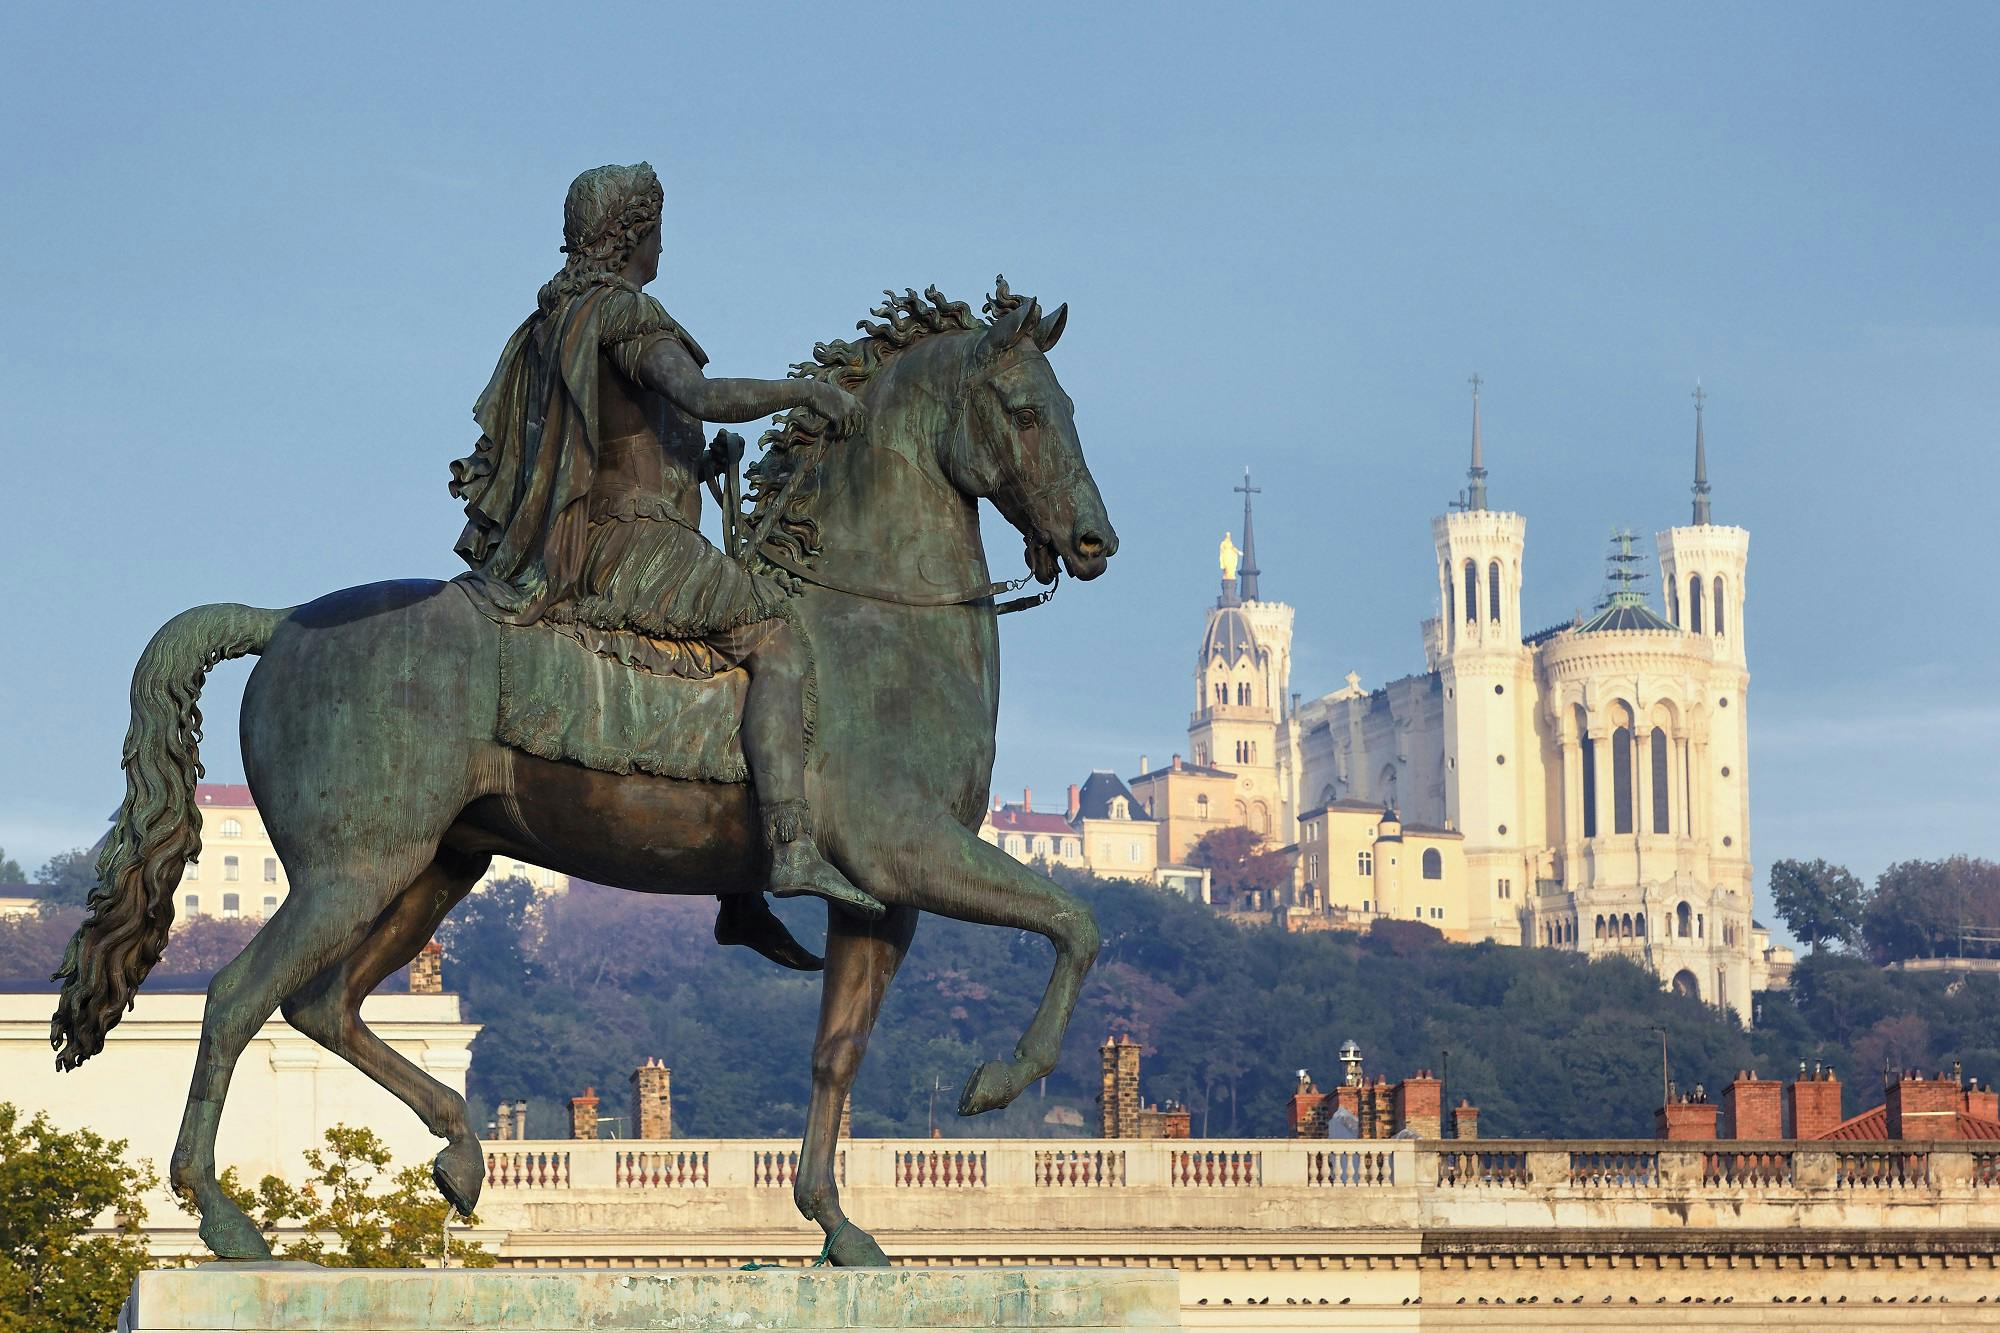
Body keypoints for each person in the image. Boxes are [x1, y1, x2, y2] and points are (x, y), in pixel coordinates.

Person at [449, 163, 879, 966]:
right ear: (633, 232)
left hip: (594, 532)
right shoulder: (618, 311)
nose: (661, 238)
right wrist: (802, 392)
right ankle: (786, 846)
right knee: (777, 641)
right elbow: (700, 390)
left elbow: (625, 433)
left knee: (724, 664)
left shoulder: (554, 317)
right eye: (656, 223)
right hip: (627, 542)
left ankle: (736, 891)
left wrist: (692, 458)